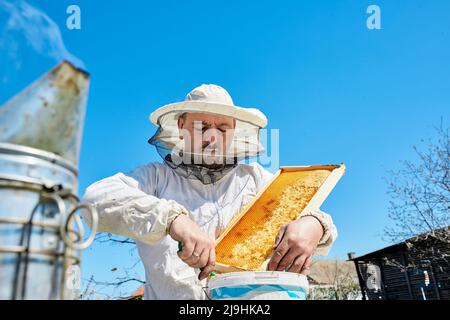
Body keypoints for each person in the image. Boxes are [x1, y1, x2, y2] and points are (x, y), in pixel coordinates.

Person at [82, 84, 338, 299]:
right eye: (202, 127)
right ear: (181, 125)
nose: (212, 138)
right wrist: (172, 218)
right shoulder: (155, 178)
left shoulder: (257, 180)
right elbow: (95, 200)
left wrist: (313, 225)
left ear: (234, 129)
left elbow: (312, 215)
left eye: (222, 128)